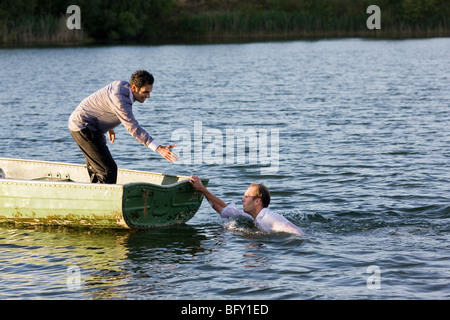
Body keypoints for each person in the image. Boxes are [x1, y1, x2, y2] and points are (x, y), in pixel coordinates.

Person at [68, 70, 178, 184]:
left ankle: (94, 195)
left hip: (90, 126)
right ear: (134, 87)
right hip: (83, 126)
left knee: (99, 168)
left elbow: (103, 103)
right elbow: (133, 128)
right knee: (108, 170)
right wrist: (159, 148)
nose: (148, 96)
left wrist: (108, 126)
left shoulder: (123, 86)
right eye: (145, 92)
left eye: (150, 92)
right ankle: (105, 199)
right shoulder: (121, 99)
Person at [189, 176, 305, 235]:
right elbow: (224, 210)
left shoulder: (270, 218)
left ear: (257, 201)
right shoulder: (252, 216)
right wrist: (202, 190)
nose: (242, 199)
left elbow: (298, 235)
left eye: (246, 196)